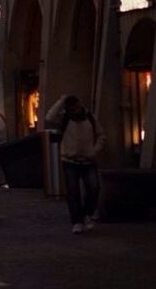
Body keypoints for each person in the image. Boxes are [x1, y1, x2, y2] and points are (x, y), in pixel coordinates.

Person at [45, 93, 105, 234]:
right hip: (70, 160)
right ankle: (77, 221)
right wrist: (61, 100)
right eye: (72, 107)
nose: (75, 110)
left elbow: (101, 135)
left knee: (94, 188)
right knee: (73, 192)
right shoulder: (65, 118)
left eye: (76, 106)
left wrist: (94, 150)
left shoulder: (90, 117)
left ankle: (86, 214)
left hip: (88, 160)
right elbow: (49, 117)